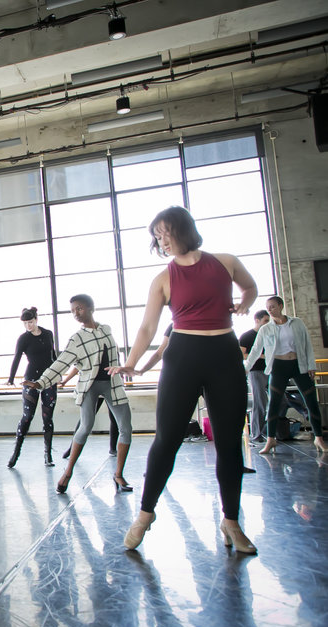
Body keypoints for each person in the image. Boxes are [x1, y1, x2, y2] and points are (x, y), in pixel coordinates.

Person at [109, 206, 258, 554]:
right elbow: (147, 327)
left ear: (183, 229)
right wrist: (131, 363)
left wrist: (244, 304)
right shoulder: (163, 278)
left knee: (228, 441)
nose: (161, 240)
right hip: (183, 356)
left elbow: (250, 287)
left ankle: (231, 521)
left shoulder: (225, 262)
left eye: (164, 232)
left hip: (224, 353)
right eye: (156, 236)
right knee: (167, 439)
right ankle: (145, 515)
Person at [24, 294, 133, 494]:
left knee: (126, 427)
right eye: (73, 310)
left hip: (112, 383)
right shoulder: (77, 338)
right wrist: (40, 383)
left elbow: (113, 354)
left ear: (91, 308)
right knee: (86, 426)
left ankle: (118, 474)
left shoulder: (106, 329)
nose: (75, 313)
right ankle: (68, 471)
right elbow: (61, 362)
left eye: (79, 309)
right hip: (89, 386)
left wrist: (122, 368)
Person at [246, 296, 325, 455]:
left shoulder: (297, 323)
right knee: (274, 404)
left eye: (273, 306)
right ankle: (270, 439)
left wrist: (311, 366)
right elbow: (255, 350)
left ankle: (319, 438)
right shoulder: (266, 329)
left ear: (281, 306)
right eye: (268, 307)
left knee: (311, 402)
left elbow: (307, 344)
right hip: (278, 367)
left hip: (298, 365)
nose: (270, 309)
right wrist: (246, 369)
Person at [6, 307, 58, 468]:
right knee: (27, 416)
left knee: (47, 417)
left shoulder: (48, 333)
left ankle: (47, 454)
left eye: (30, 322)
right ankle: (16, 453)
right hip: (31, 380)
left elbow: (53, 355)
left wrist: (58, 373)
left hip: (49, 379)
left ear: (36, 319)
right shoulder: (23, 339)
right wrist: (11, 378)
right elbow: (16, 358)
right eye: (25, 323)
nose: (28, 326)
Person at [60, 366, 120, 458]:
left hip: (110, 383)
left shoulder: (112, 352)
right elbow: (78, 365)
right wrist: (65, 381)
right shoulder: (92, 353)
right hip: (93, 385)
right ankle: (72, 448)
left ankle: (113, 448)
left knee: (114, 417)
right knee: (85, 420)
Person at [239, 310, 271, 444]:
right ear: (257, 320)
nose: (267, 324)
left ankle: (269, 432)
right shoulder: (247, 336)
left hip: (270, 370)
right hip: (255, 371)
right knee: (259, 402)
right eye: (265, 321)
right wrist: (261, 355)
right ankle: (257, 434)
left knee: (281, 401)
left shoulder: (269, 334)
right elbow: (241, 355)